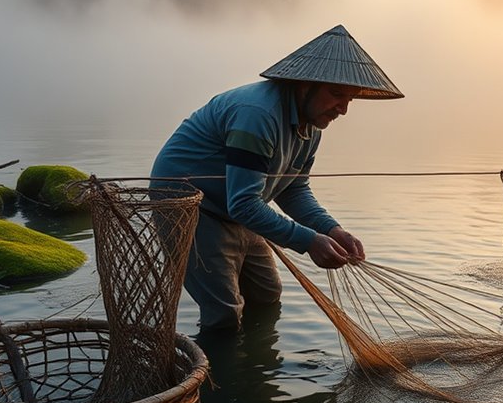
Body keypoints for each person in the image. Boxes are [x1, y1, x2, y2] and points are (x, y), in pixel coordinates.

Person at [151, 25, 403, 332]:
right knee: (223, 312)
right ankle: (221, 375)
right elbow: (243, 203)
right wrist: (309, 241)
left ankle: (259, 367)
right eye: (336, 94)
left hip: (237, 206)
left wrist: (331, 229)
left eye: (350, 98)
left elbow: (293, 189)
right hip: (189, 206)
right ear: (303, 85)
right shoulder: (257, 114)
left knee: (267, 293)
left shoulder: (311, 126)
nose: (344, 109)